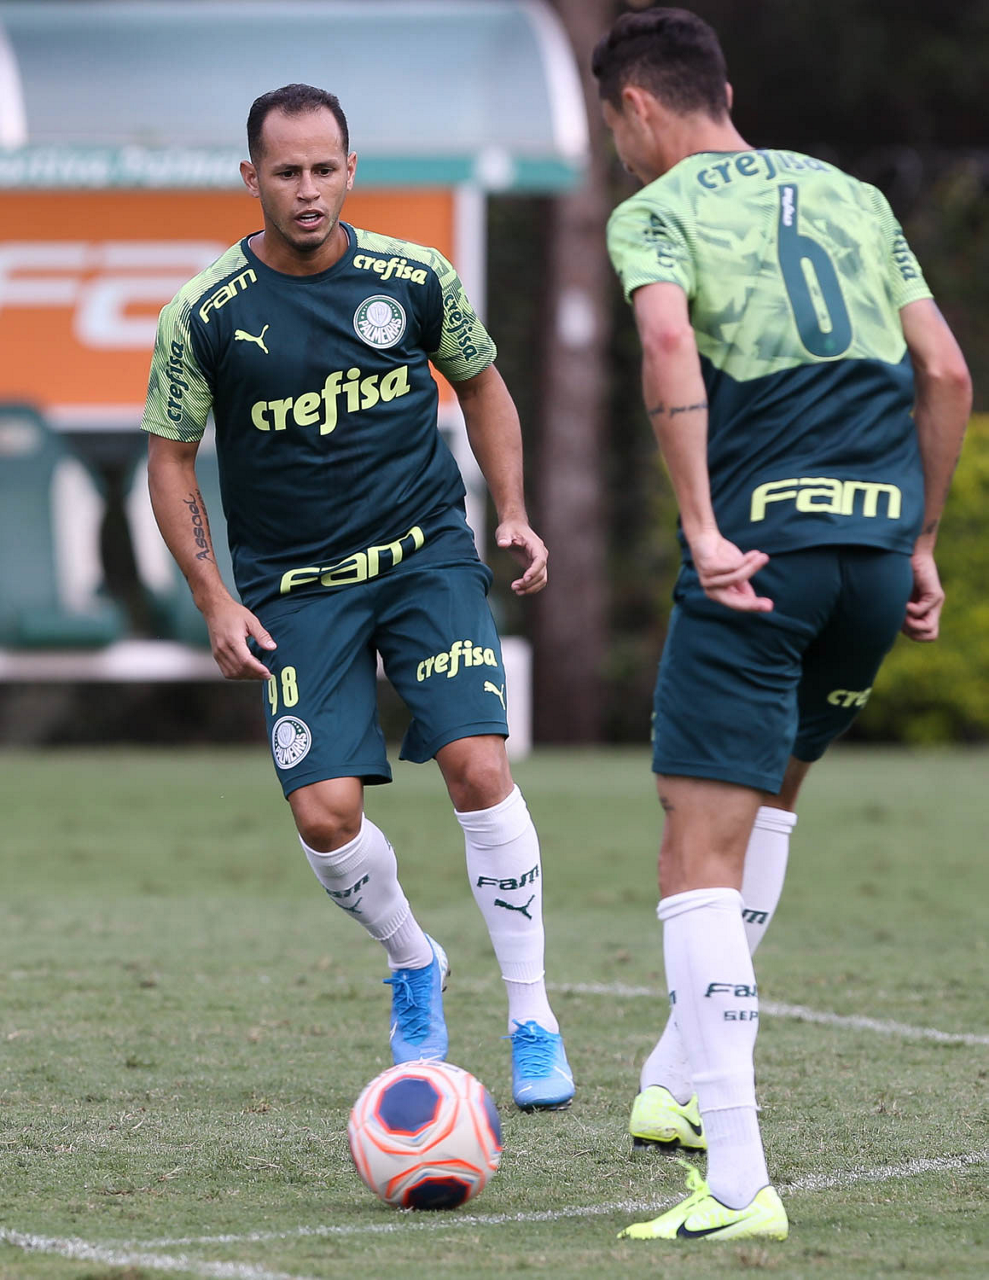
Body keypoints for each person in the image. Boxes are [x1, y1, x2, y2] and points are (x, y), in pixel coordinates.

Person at [592, 7, 971, 1242]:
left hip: (760, 554)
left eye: (613, 129)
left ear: (635, 106)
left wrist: (701, 525)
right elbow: (946, 371)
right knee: (765, 806)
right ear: (723, 90)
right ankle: (670, 1081)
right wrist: (918, 541)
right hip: (870, 554)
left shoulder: (655, 211)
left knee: (692, 850)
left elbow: (665, 338)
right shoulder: (852, 196)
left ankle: (736, 1179)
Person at [141, 83, 574, 1112]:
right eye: (285, 171)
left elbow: (482, 383)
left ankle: (532, 1017)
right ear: (250, 177)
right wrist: (213, 597)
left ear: (350, 170)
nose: (307, 190)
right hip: (295, 589)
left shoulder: (413, 277)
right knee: (325, 816)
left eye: (323, 169)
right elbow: (171, 458)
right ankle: (414, 959)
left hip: (425, 558)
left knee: (478, 765)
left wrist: (513, 510)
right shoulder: (203, 314)